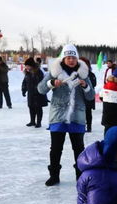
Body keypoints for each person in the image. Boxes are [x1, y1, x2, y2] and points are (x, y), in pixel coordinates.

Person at [37, 44, 95, 186]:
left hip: (77, 117)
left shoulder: (83, 74)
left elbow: (91, 96)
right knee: (56, 148)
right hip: (58, 116)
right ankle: (54, 175)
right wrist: (51, 83)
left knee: (79, 149)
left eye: (73, 57)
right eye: (68, 57)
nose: (71, 60)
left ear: (77, 59)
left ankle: (80, 177)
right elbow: (41, 89)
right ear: (63, 58)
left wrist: (85, 86)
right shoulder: (54, 72)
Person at [21, 57, 48, 128]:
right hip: (30, 93)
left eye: (27, 66)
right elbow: (25, 82)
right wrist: (24, 90)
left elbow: (42, 83)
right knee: (31, 107)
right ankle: (32, 121)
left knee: (38, 108)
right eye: (25, 66)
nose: (26, 67)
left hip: (38, 93)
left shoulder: (38, 72)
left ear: (31, 65)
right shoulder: (27, 73)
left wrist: (39, 90)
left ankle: (39, 122)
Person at [79, 57, 97, 132]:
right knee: (80, 112)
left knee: (88, 112)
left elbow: (94, 84)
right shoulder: (77, 73)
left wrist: (86, 85)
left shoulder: (91, 74)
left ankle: (89, 126)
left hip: (88, 96)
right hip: (79, 97)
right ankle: (81, 125)